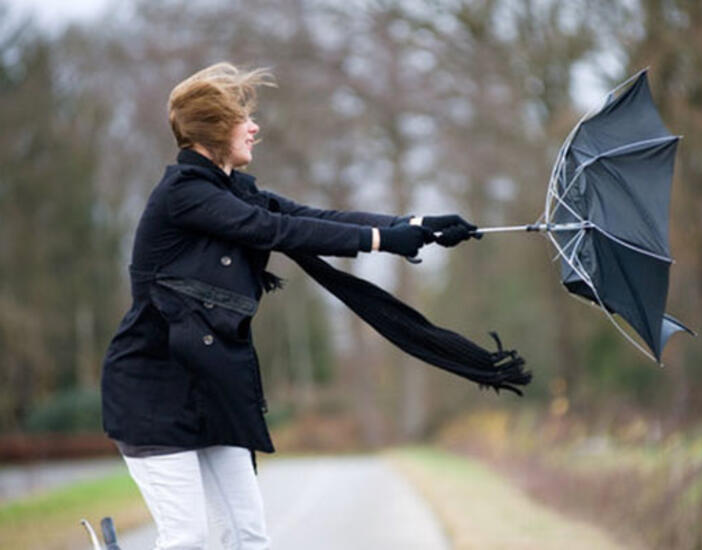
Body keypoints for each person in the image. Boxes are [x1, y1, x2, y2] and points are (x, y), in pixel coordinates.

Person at [100, 62, 478, 549]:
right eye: (242, 118)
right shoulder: (184, 195)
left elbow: (311, 216)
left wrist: (417, 223)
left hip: (214, 386)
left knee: (247, 535)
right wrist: (383, 240)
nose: (254, 127)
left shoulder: (235, 190)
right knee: (188, 538)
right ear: (214, 129)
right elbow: (276, 231)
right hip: (153, 389)